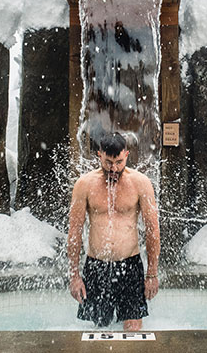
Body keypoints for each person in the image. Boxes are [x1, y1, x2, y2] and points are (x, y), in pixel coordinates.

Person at [67, 132, 160, 331]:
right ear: (99, 155)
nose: (114, 168)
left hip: (130, 265)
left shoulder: (140, 183)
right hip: (97, 266)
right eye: (108, 162)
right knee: (100, 331)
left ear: (126, 154)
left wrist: (151, 274)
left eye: (118, 162)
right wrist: (74, 276)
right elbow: (74, 232)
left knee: (133, 330)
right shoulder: (84, 185)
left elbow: (153, 230)